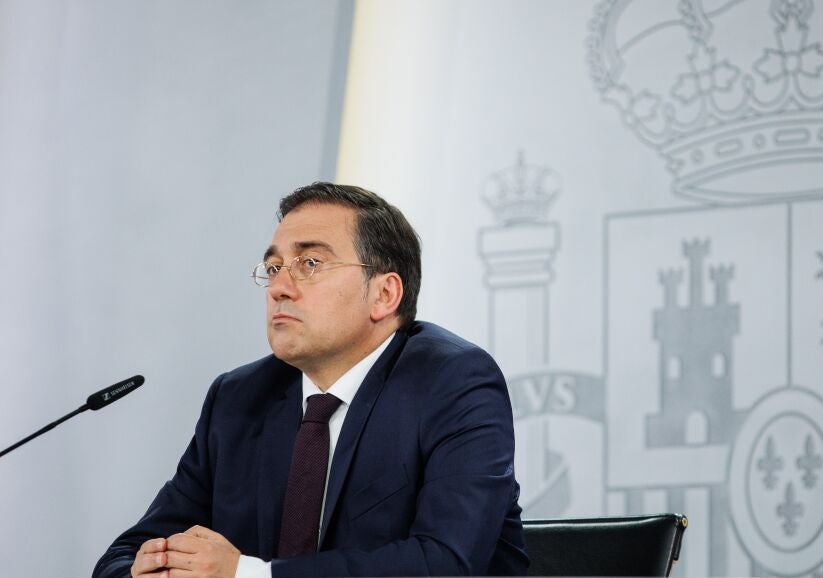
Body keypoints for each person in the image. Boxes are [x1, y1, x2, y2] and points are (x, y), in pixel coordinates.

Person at [94, 183, 528, 578]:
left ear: (384, 294)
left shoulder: (453, 383)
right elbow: (123, 556)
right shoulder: (238, 398)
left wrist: (248, 575)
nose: (279, 287)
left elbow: (445, 562)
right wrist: (150, 571)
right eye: (273, 267)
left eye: (310, 263)